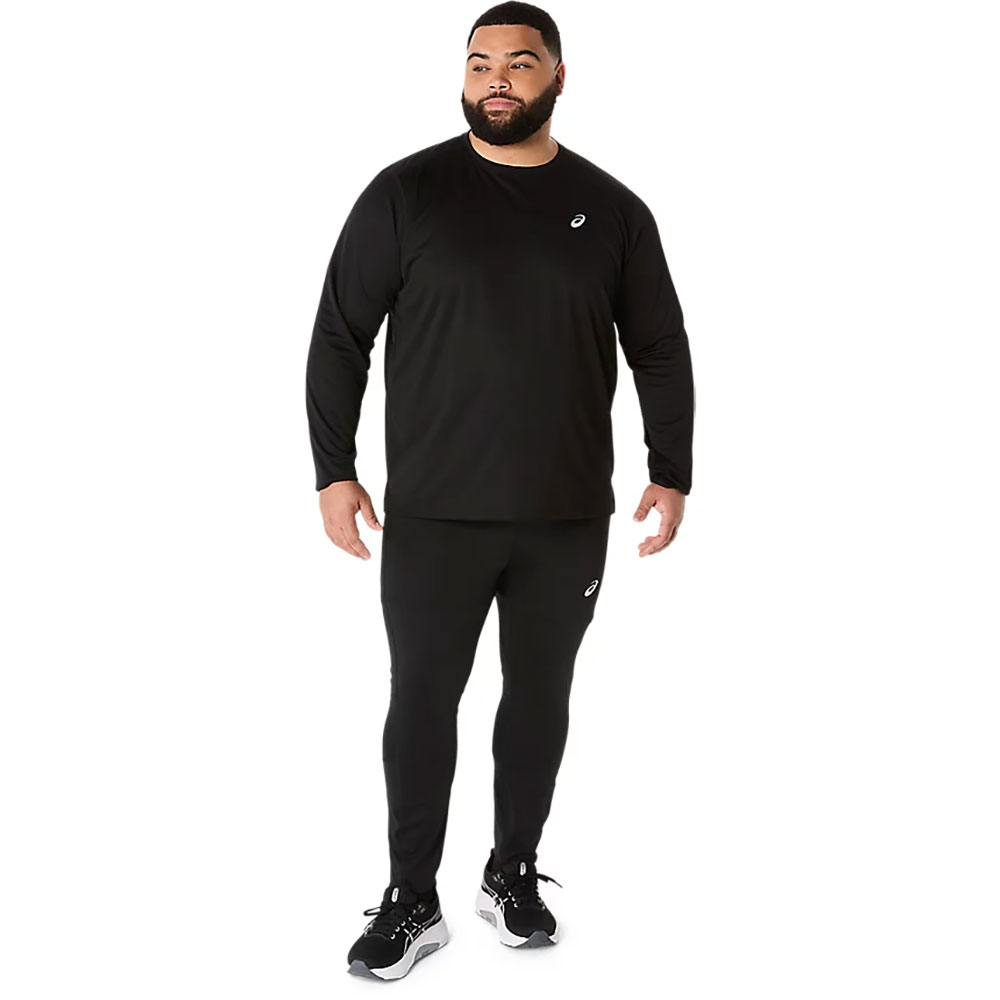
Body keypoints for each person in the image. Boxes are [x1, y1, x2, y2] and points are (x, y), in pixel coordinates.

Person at [305, 1, 695, 980]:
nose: (496, 80)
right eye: (479, 63)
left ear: (558, 76)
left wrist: (672, 467)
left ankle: (510, 870)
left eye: (520, 64)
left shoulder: (612, 210)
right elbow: (340, 334)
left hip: (565, 514)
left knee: (540, 697)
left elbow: (657, 345)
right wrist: (334, 468)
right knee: (420, 700)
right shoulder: (407, 193)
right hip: (434, 512)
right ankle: (410, 896)